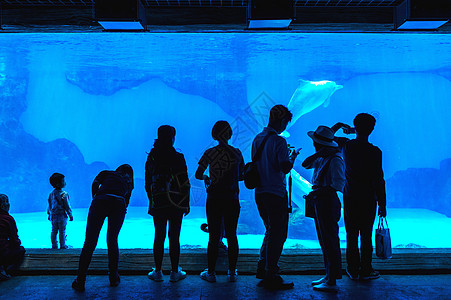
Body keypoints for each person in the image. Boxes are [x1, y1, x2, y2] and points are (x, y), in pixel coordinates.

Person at [331, 113, 387, 281]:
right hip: (369, 198)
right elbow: (379, 179)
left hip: (350, 196)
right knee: (366, 234)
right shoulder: (375, 152)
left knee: (351, 234)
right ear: (372, 129)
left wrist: (342, 126)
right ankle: (366, 269)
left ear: (355, 126)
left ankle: (352, 269)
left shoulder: (347, 146)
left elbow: (326, 135)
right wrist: (382, 204)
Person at [252, 105, 298, 290]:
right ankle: (272, 273)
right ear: (280, 120)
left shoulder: (257, 139)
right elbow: (284, 167)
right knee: (278, 234)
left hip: (260, 193)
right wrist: (292, 156)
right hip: (276, 193)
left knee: (270, 231)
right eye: (286, 121)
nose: (286, 126)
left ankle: (263, 267)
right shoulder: (279, 141)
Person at [195, 120, 244, 283]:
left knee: (214, 236)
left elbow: (197, 174)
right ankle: (231, 272)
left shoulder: (210, 153)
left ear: (214, 134)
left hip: (214, 198)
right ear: (229, 134)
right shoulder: (237, 153)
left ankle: (211, 273)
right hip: (232, 198)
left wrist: (206, 177)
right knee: (232, 235)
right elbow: (241, 176)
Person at [72, 164, 134, 292]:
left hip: (101, 200)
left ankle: (80, 280)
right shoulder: (129, 181)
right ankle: (113, 278)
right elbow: (126, 199)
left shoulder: (106, 173)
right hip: (119, 203)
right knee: (112, 240)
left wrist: (95, 198)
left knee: (90, 242)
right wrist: (122, 207)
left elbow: (95, 184)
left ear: (117, 169)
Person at [302, 126, 345, 293]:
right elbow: (306, 164)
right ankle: (328, 274)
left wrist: (318, 191)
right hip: (319, 201)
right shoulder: (322, 157)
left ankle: (332, 279)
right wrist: (319, 153)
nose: (313, 144)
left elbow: (338, 184)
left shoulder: (335, 159)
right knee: (324, 240)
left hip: (328, 201)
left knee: (330, 240)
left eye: (315, 143)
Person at [145, 125, 190, 282]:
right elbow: (184, 181)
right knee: (174, 237)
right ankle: (174, 271)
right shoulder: (178, 157)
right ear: (172, 138)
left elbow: (147, 182)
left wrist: (151, 201)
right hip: (176, 203)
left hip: (158, 202)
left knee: (159, 235)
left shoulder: (152, 156)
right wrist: (186, 202)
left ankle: (157, 271)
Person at [0, 194, 26, 281]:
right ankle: (3, 269)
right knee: (21, 250)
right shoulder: (8, 219)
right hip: (2, 253)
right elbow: (14, 240)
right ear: (5, 206)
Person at [47, 173, 73, 249]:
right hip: (62, 216)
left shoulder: (51, 194)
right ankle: (63, 245)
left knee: (54, 231)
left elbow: (49, 205)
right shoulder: (64, 194)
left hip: (54, 216)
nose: (65, 183)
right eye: (63, 181)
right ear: (58, 184)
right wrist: (70, 215)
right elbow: (67, 206)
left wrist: (49, 214)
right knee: (62, 231)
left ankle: (54, 245)